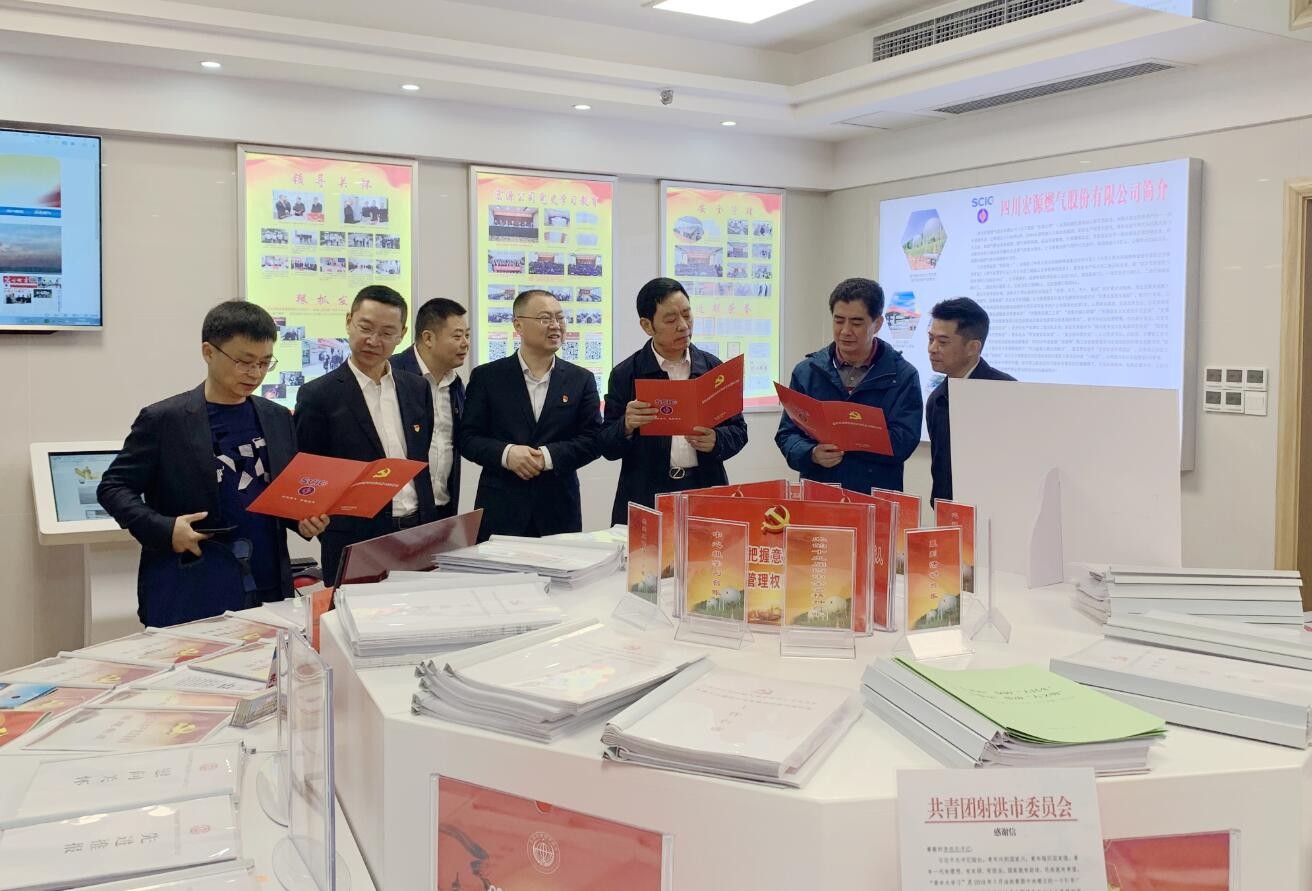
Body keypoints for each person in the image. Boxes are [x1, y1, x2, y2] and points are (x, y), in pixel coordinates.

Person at [98, 301, 330, 627]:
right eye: (244, 362)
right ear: (208, 352)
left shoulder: (277, 417)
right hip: (193, 583)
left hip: (267, 580)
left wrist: (302, 519)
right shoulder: (165, 420)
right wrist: (165, 529)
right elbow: (113, 487)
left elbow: (279, 489)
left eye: (265, 362)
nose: (255, 373)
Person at [294, 285, 437, 584]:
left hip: (418, 531)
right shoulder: (318, 395)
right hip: (355, 538)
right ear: (349, 322)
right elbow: (310, 473)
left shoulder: (417, 388)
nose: (373, 340)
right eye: (366, 328)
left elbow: (419, 457)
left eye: (387, 332)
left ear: (402, 334)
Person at [598, 277, 747, 524]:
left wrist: (717, 440)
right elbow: (606, 446)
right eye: (670, 320)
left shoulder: (713, 369)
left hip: (704, 487)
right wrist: (626, 425)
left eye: (687, 315)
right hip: (646, 494)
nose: (683, 326)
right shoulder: (626, 374)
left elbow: (739, 431)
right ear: (647, 325)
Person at [458, 289, 602, 540]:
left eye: (560, 318)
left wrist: (547, 457)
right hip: (501, 510)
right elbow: (467, 438)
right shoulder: (487, 377)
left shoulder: (581, 379)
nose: (556, 325)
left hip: (558, 511)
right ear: (518, 325)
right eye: (545, 318)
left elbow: (593, 439)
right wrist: (507, 454)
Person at [775, 277, 922, 494]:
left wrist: (853, 438)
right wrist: (811, 453)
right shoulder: (807, 371)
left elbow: (904, 441)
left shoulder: (902, 376)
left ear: (877, 324)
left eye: (856, 323)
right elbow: (787, 434)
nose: (845, 331)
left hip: (875, 495)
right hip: (819, 492)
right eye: (839, 320)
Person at [925, 297, 1015, 504]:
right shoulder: (937, 399)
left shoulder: (1007, 393)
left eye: (943, 342)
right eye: (930, 339)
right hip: (948, 511)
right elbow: (940, 467)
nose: (932, 348)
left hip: (997, 509)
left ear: (973, 347)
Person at [392, 298, 469, 520]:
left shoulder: (455, 384)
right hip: (400, 515)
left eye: (467, 335)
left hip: (442, 508)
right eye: (457, 336)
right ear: (428, 338)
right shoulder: (392, 375)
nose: (465, 343)